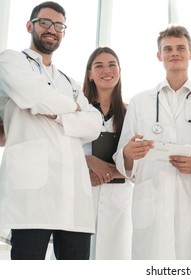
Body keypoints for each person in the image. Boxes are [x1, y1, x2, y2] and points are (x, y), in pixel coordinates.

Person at [0, 1, 102, 260]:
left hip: (73, 196)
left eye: (59, 25)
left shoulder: (68, 81)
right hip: (33, 195)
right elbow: (32, 95)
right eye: (44, 22)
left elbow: (94, 124)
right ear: (30, 26)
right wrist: (73, 110)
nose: (52, 29)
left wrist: (57, 113)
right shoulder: (11, 60)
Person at [114, 25, 191, 260]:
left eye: (180, 48)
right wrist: (128, 152)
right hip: (151, 207)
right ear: (159, 56)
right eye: (168, 49)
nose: (174, 53)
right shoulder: (140, 102)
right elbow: (122, 155)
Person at [82, 47, 132, 260]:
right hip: (82, 196)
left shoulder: (131, 113)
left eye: (112, 64)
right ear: (90, 74)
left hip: (119, 204)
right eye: (99, 65)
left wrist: (105, 173)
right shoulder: (77, 110)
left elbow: (140, 166)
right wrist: (89, 161)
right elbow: (61, 153)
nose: (106, 70)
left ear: (119, 71)